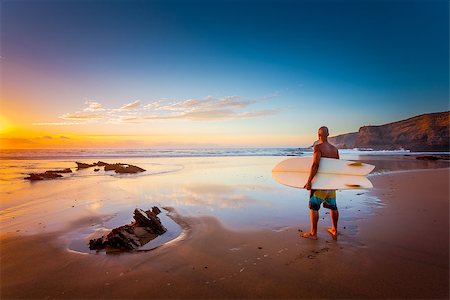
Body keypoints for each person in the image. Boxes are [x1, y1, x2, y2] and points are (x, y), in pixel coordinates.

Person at [302, 126, 339, 240]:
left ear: (319, 135)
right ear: (328, 134)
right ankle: (334, 229)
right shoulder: (335, 149)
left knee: (314, 207)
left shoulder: (318, 147)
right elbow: (337, 167)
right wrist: (337, 183)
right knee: (333, 207)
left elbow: (315, 165)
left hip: (320, 184)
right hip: (331, 184)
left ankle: (314, 233)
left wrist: (309, 181)